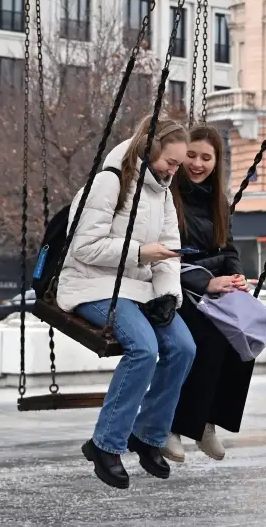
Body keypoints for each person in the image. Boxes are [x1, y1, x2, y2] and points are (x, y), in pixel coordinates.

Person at [55, 116, 197, 489]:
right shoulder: (110, 182)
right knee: (144, 349)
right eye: (170, 162)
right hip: (92, 284)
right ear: (150, 151)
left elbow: (168, 252)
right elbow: (83, 247)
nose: (175, 170)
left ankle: (148, 435)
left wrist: (168, 294)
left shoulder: (163, 191)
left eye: (179, 164)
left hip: (139, 287)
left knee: (183, 347)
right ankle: (106, 444)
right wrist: (138, 253)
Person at [165, 124, 252, 463]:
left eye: (206, 157)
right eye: (191, 156)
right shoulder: (168, 196)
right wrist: (206, 281)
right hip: (175, 287)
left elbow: (228, 247)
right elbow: (170, 254)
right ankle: (174, 424)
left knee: (243, 336)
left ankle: (207, 423)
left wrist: (236, 275)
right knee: (209, 336)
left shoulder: (219, 202)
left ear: (216, 162)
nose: (197, 164)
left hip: (211, 286)